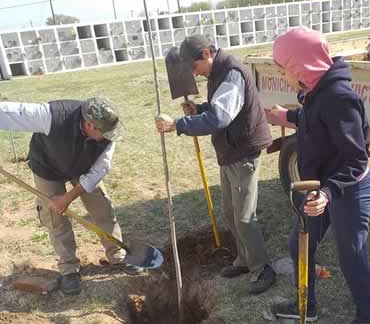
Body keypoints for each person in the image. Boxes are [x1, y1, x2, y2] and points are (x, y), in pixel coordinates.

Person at [269, 27, 370, 324]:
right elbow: (316, 119)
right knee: (299, 245)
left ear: (301, 66)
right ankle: (309, 305)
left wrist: (329, 193)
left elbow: (356, 160)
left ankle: (369, 318)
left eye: (284, 69)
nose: (283, 76)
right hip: (322, 188)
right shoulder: (316, 89)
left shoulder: (340, 98)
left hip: (349, 188)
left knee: (351, 253)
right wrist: (289, 115)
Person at [155, 35, 276, 294]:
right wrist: (200, 108)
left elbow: (220, 118)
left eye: (194, 67)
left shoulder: (231, 74)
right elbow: (221, 108)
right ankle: (244, 259)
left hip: (243, 153)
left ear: (207, 53)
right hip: (230, 152)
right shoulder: (218, 71)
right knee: (230, 212)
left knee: (244, 216)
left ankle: (262, 267)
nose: (193, 73)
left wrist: (177, 125)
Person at [0, 97, 134, 296]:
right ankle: (69, 269)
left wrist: (68, 197)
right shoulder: (51, 116)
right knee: (55, 218)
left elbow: (99, 170)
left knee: (102, 208)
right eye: (104, 133)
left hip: (84, 168)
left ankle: (117, 254)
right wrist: (59, 201)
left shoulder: (107, 133)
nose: (108, 136)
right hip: (48, 167)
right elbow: (10, 112)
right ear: (89, 125)